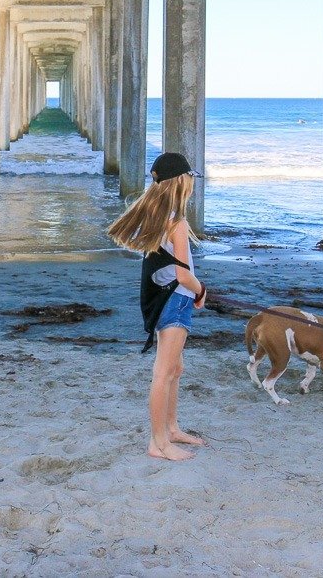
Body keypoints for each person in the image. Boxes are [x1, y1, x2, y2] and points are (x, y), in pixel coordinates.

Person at [108, 152, 207, 461]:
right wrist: (202, 289)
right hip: (176, 300)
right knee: (164, 373)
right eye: (191, 177)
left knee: (176, 368)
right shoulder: (176, 222)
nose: (192, 183)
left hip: (170, 299)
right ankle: (159, 443)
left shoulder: (161, 217)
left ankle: (172, 428)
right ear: (181, 181)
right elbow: (182, 273)